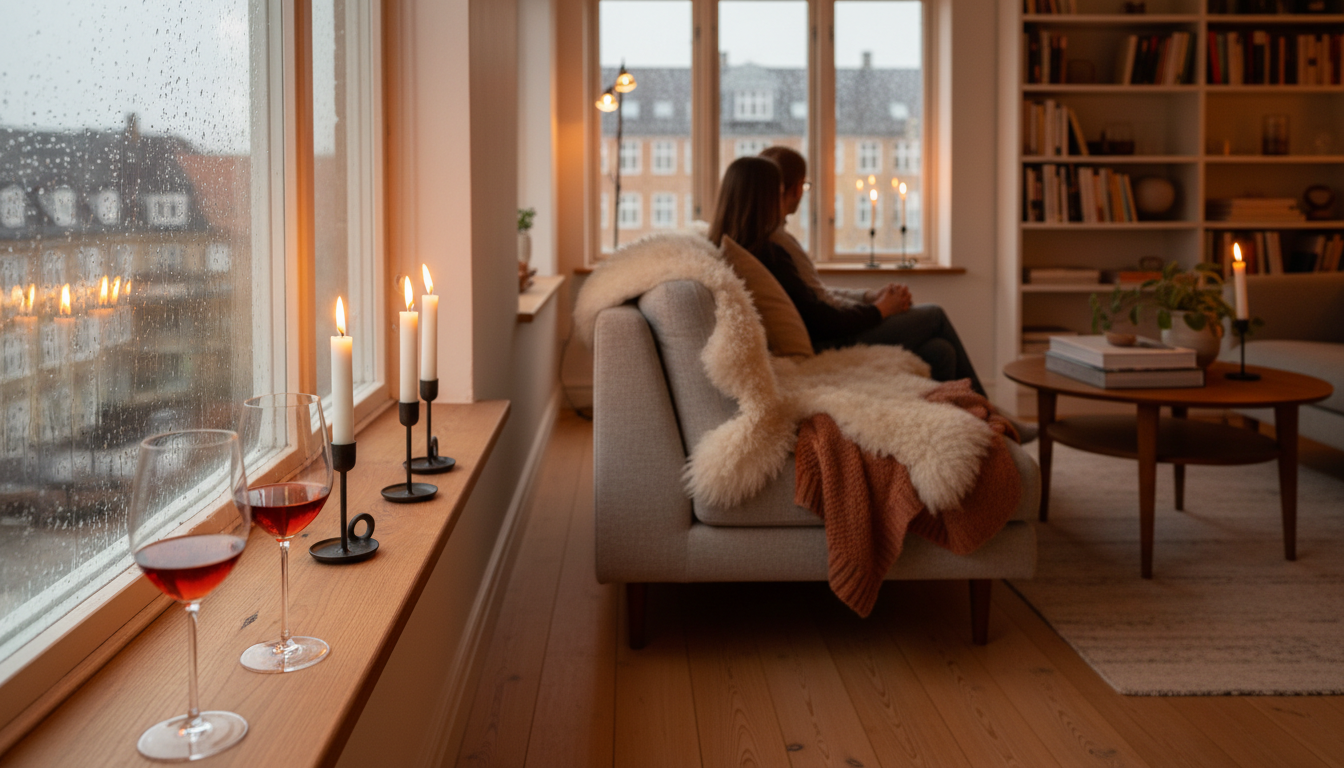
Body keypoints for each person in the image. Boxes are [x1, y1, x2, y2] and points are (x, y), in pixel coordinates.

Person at [727, 148, 989, 398]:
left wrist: (869, 297)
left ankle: (972, 417)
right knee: (934, 315)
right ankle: (991, 412)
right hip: (831, 337)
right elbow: (819, 316)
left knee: (940, 352)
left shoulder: (765, 244)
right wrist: (879, 309)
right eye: (801, 187)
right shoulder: (771, 249)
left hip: (836, 326)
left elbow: (815, 296)